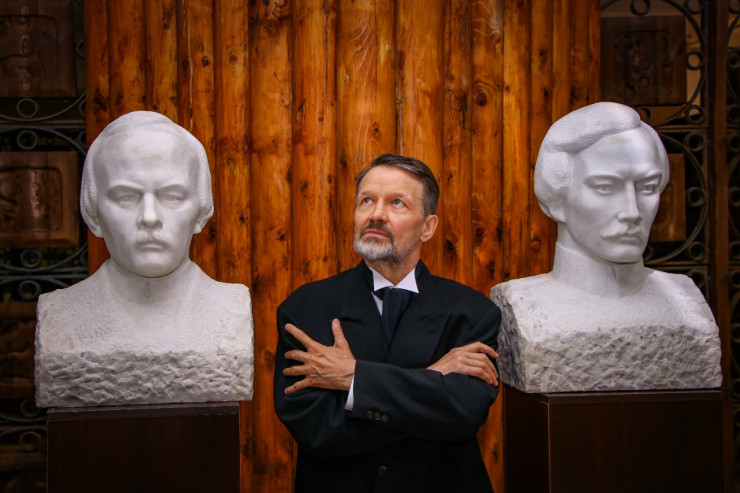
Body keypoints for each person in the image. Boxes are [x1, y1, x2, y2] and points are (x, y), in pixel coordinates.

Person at [274, 153, 501, 493]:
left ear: (427, 227)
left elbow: (461, 416)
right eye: (367, 201)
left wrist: (354, 378)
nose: (376, 214)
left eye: (397, 203)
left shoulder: (474, 312)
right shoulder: (305, 309)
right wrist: (432, 378)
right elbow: (318, 430)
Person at [491, 102, 721, 393]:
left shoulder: (686, 302)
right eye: (605, 187)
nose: (632, 211)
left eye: (647, 187)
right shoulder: (524, 306)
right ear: (557, 199)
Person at [35, 111, 254, 407]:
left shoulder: (229, 311)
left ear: (202, 211)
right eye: (126, 197)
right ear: (93, 213)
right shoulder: (60, 316)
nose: (149, 217)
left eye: (172, 196)